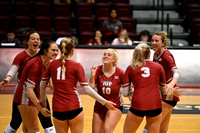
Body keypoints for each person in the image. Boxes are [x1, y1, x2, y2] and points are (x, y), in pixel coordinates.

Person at [39, 37, 116, 133]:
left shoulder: (52, 64)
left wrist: (43, 100)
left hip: (58, 109)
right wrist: (104, 102)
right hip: (74, 107)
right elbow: (87, 89)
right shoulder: (77, 65)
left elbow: (42, 84)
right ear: (72, 50)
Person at [0, 31, 56, 133]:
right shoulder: (23, 57)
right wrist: (8, 78)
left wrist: (50, 82)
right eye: (33, 39)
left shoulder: (44, 56)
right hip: (25, 91)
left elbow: (46, 72)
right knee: (17, 123)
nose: (36, 41)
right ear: (27, 42)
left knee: (45, 123)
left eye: (38, 39)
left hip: (39, 90)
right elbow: (14, 69)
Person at [12, 40, 59, 133]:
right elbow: (29, 90)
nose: (56, 53)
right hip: (24, 98)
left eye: (57, 50)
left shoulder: (48, 62)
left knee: (27, 130)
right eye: (53, 50)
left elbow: (43, 83)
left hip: (33, 96)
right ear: (45, 51)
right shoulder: (35, 64)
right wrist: (40, 108)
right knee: (34, 129)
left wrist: (43, 98)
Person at [142, 31, 181, 133]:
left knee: (150, 126)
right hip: (162, 93)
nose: (154, 43)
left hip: (169, 94)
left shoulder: (167, 55)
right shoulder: (155, 55)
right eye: (152, 40)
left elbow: (177, 73)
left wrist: (171, 84)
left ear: (163, 43)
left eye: (157, 41)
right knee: (163, 129)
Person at [123, 43, 166, 133]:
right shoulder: (159, 67)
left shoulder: (131, 68)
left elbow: (125, 93)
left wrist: (132, 94)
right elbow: (164, 91)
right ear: (149, 54)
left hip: (138, 103)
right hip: (155, 104)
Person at [89, 48, 124, 133]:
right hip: (99, 106)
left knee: (107, 130)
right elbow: (90, 88)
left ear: (114, 59)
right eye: (104, 54)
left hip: (114, 106)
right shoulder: (97, 70)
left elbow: (127, 89)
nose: (105, 56)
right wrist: (92, 77)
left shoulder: (120, 72)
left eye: (109, 55)